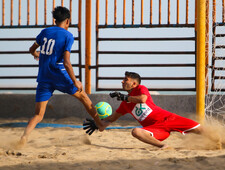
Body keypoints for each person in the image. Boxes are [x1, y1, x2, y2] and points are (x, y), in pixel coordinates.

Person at [19, 6, 104, 145]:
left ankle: (24, 137)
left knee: (38, 115)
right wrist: (75, 81)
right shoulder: (67, 36)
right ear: (68, 21)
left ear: (55, 20)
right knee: (84, 97)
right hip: (59, 75)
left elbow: (32, 49)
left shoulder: (45, 32)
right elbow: (67, 62)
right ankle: (100, 124)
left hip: (44, 77)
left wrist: (37, 55)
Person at [83, 71, 202, 149]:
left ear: (134, 83)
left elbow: (143, 99)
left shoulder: (141, 88)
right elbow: (111, 119)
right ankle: (164, 146)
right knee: (136, 132)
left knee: (202, 130)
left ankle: (220, 142)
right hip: (156, 129)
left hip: (169, 118)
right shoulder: (125, 105)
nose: (122, 81)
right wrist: (98, 123)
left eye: (126, 79)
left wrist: (125, 97)